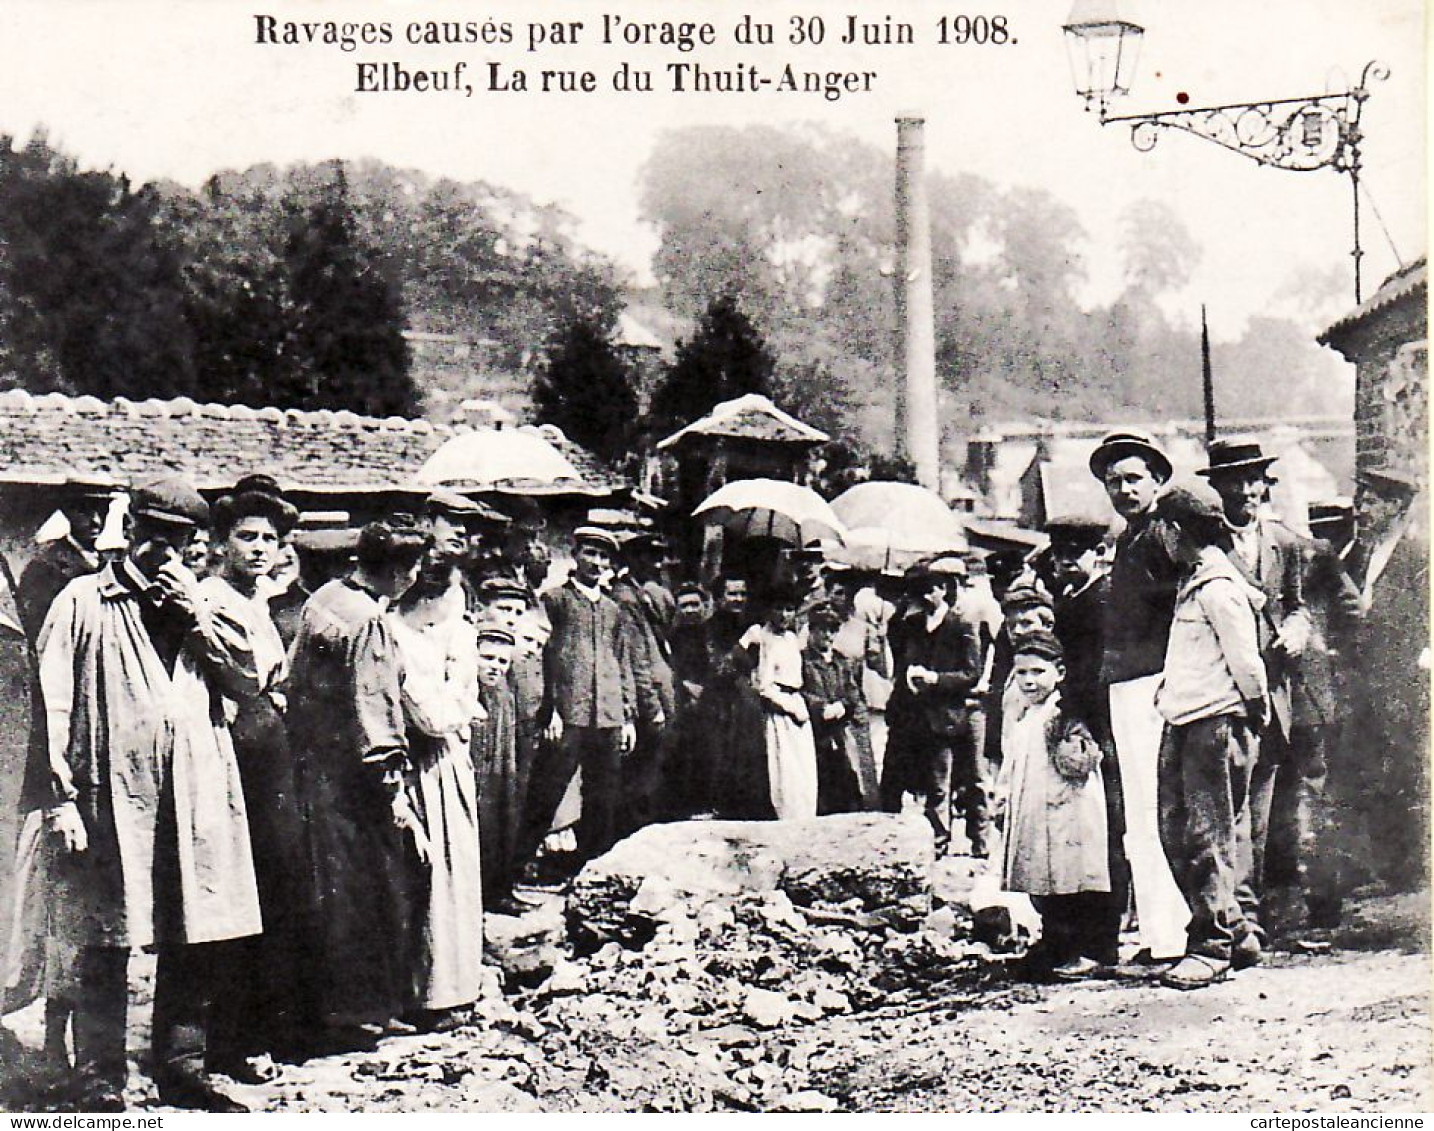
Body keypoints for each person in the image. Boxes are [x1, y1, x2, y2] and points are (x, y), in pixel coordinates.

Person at [33, 475, 262, 1111]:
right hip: (114, 794)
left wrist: (195, 616)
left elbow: (248, 682)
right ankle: (101, 1075)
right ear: (130, 530)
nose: (166, 552)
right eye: (155, 536)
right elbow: (49, 703)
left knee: (196, 926)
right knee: (106, 932)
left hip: (196, 789)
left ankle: (182, 1067)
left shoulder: (205, 605)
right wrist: (61, 797)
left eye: (181, 540)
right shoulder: (84, 601)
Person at [285, 514, 431, 1050]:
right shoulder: (368, 620)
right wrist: (394, 789)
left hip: (311, 764)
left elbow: (291, 676)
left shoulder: (324, 598)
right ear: (400, 571)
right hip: (355, 777)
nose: (414, 579)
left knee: (331, 888)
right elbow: (375, 710)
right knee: (371, 890)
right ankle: (357, 1011)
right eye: (412, 569)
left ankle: (352, 1006)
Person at [200, 475, 310, 1076]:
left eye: (270, 538)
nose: (260, 548)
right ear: (222, 541)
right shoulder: (210, 600)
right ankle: (225, 1040)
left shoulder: (257, 605)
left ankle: (254, 1032)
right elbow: (237, 681)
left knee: (273, 891)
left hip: (269, 753)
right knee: (237, 897)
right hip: (232, 754)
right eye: (247, 536)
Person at [1151, 485, 1268, 990]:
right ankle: (1237, 932)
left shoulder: (1220, 587)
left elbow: (1248, 665)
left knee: (1207, 836)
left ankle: (1213, 943)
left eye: (1163, 530)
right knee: (1174, 831)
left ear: (1175, 531)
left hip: (1214, 725)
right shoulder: (1195, 581)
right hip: (1185, 720)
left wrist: (1252, 716)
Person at [1197, 439, 1308, 950]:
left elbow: (1297, 605)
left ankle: (1250, 916)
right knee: (1224, 816)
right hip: (1222, 699)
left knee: (1257, 818)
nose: (1245, 491)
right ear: (1216, 489)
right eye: (1233, 482)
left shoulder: (1284, 543)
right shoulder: (1202, 547)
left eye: (1252, 480)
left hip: (1273, 698)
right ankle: (1232, 921)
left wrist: (1297, 629)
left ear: (1265, 485)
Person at [1090, 429, 1190, 964]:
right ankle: (1157, 931)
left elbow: (1178, 607)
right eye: (1114, 482)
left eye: (1133, 479)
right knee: (1138, 812)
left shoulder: (1161, 536)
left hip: (1153, 681)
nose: (1124, 489)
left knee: (1154, 808)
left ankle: (1173, 933)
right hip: (1126, 683)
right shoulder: (1129, 538)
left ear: (1155, 481)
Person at [390, 540, 486, 1029]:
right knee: (430, 876)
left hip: (447, 763)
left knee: (456, 872)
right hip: (420, 768)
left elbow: (464, 698)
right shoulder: (393, 637)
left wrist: (459, 701)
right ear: (428, 595)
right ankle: (427, 994)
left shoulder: (435, 636)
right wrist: (458, 705)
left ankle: (457, 982)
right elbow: (432, 715)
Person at [993, 629, 1110, 981]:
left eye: (1037, 672)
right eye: (1022, 673)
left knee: (1066, 881)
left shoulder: (1063, 713)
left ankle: (1072, 950)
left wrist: (1070, 741)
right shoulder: (1025, 718)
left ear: (1059, 672)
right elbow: (1013, 763)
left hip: (1064, 811)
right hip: (1033, 810)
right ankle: (1051, 943)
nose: (1029, 681)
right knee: (1040, 882)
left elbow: (1081, 761)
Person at [1042, 513, 1124, 969]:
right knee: (1078, 829)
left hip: (1100, 725)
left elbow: (1096, 672)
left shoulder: (1102, 600)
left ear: (1098, 554)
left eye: (1076, 555)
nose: (1066, 564)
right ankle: (1075, 935)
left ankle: (1101, 941)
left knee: (1104, 830)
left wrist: (1079, 721)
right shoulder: (1070, 597)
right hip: (1080, 720)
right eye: (1060, 556)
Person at [527, 528, 636, 864]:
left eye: (604, 557)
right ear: (575, 555)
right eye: (590, 553)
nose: (597, 562)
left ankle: (591, 871)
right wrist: (551, 710)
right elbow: (543, 657)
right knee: (547, 791)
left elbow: (622, 660)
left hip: (608, 714)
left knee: (603, 797)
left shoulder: (613, 609)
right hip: (568, 713)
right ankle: (517, 868)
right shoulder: (555, 600)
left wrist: (628, 716)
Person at [882, 559, 985, 856]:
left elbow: (971, 673)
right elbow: (900, 654)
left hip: (948, 715)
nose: (924, 599)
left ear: (942, 590)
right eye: (919, 593)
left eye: (929, 591)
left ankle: (960, 842)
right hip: (915, 714)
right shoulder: (912, 624)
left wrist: (936, 679)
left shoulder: (961, 625)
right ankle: (934, 840)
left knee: (952, 780)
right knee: (926, 781)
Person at [611, 533, 676, 831]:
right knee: (641, 777)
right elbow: (636, 657)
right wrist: (651, 706)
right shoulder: (625, 599)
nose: (658, 564)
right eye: (651, 557)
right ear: (634, 561)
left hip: (656, 691)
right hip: (644, 698)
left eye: (659, 556)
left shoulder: (641, 594)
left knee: (651, 773)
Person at [741, 586, 818, 820]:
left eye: (790, 609)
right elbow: (763, 686)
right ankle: (786, 819)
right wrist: (789, 707)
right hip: (778, 711)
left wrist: (800, 705)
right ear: (768, 610)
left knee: (805, 770)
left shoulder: (792, 638)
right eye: (779, 609)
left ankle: (805, 819)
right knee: (784, 771)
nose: (784, 615)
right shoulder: (763, 639)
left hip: (797, 704)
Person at [16, 476, 116, 641]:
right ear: (67, 512)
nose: (96, 521)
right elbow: (37, 631)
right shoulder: (44, 566)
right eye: (85, 511)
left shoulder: (111, 561)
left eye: (102, 510)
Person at [802, 602, 875, 812]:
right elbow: (799, 692)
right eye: (822, 629)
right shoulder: (803, 660)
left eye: (833, 630)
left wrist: (844, 705)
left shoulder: (841, 661)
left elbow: (853, 692)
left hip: (840, 732)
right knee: (818, 788)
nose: (828, 635)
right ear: (812, 630)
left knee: (847, 782)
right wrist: (819, 706)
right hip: (814, 734)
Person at [470, 622, 522, 913]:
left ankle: (497, 892)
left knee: (499, 830)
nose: (495, 667)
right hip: (475, 775)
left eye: (502, 661)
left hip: (499, 773)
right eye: (487, 658)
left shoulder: (503, 694)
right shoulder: (468, 690)